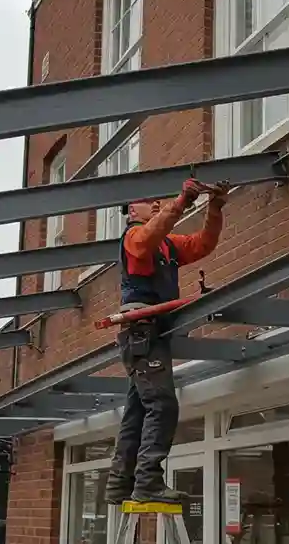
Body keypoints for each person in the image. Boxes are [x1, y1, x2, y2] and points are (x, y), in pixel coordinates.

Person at [106, 177, 230, 504]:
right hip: (142, 332)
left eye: (160, 202)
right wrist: (181, 203)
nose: (157, 204)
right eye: (150, 201)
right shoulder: (134, 237)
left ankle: (120, 484)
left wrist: (214, 207)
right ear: (133, 209)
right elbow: (148, 237)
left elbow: (203, 244)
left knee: (137, 412)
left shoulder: (167, 244)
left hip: (149, 334)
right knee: (162, 405)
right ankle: (147, 482)